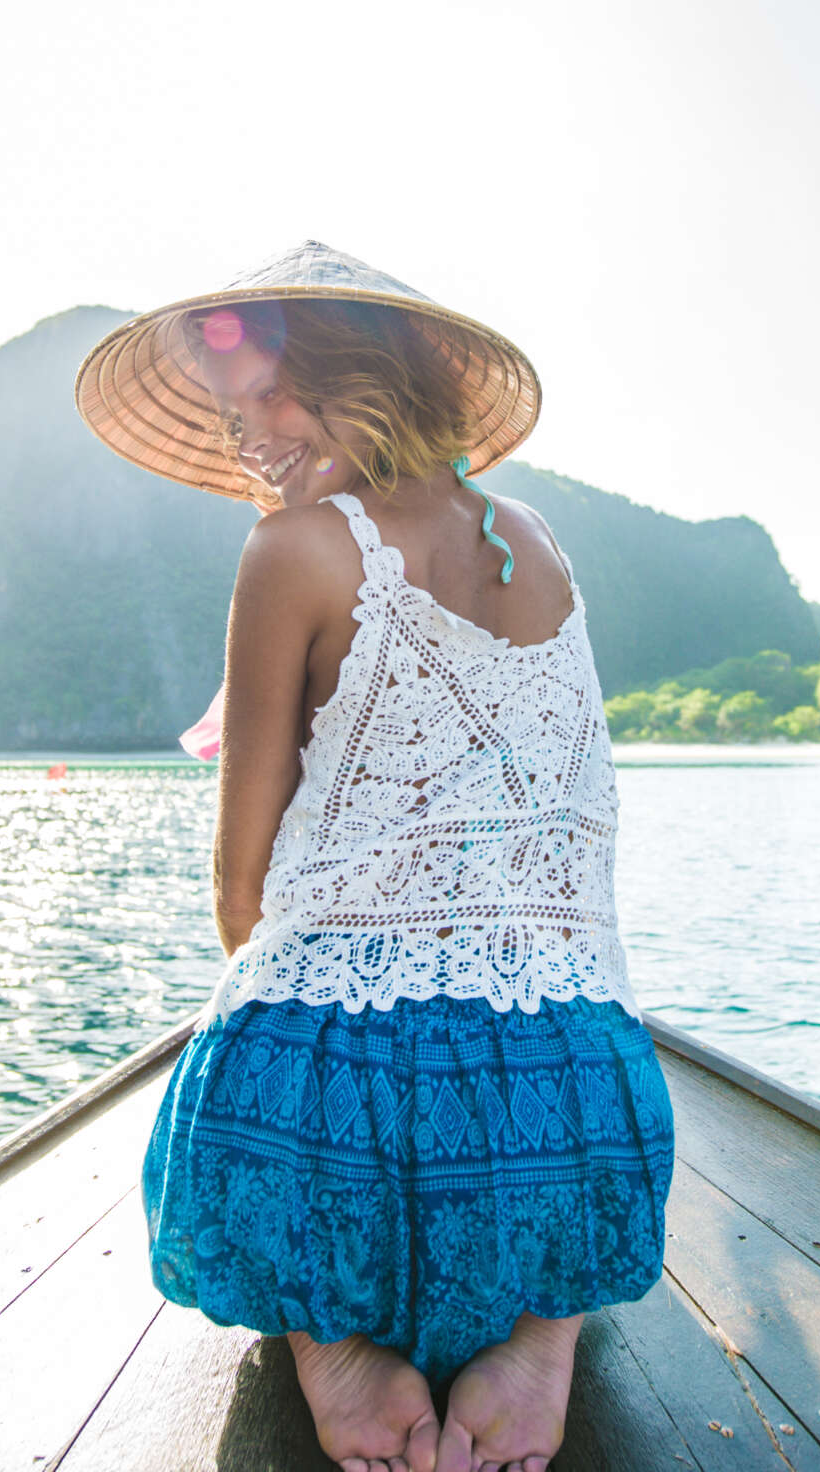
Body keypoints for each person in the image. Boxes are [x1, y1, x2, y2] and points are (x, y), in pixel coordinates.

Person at [75, 242, 675, 1472]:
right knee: (544, 1071)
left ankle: (334, 1342)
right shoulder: (540, 541)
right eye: (235, 419)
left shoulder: (293, 549)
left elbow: (241, 894)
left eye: (266, 399)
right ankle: (540, 1326)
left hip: (350, 1149)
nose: (251, 440)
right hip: (581, 1117)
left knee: (227, 1089)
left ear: (364, 374)